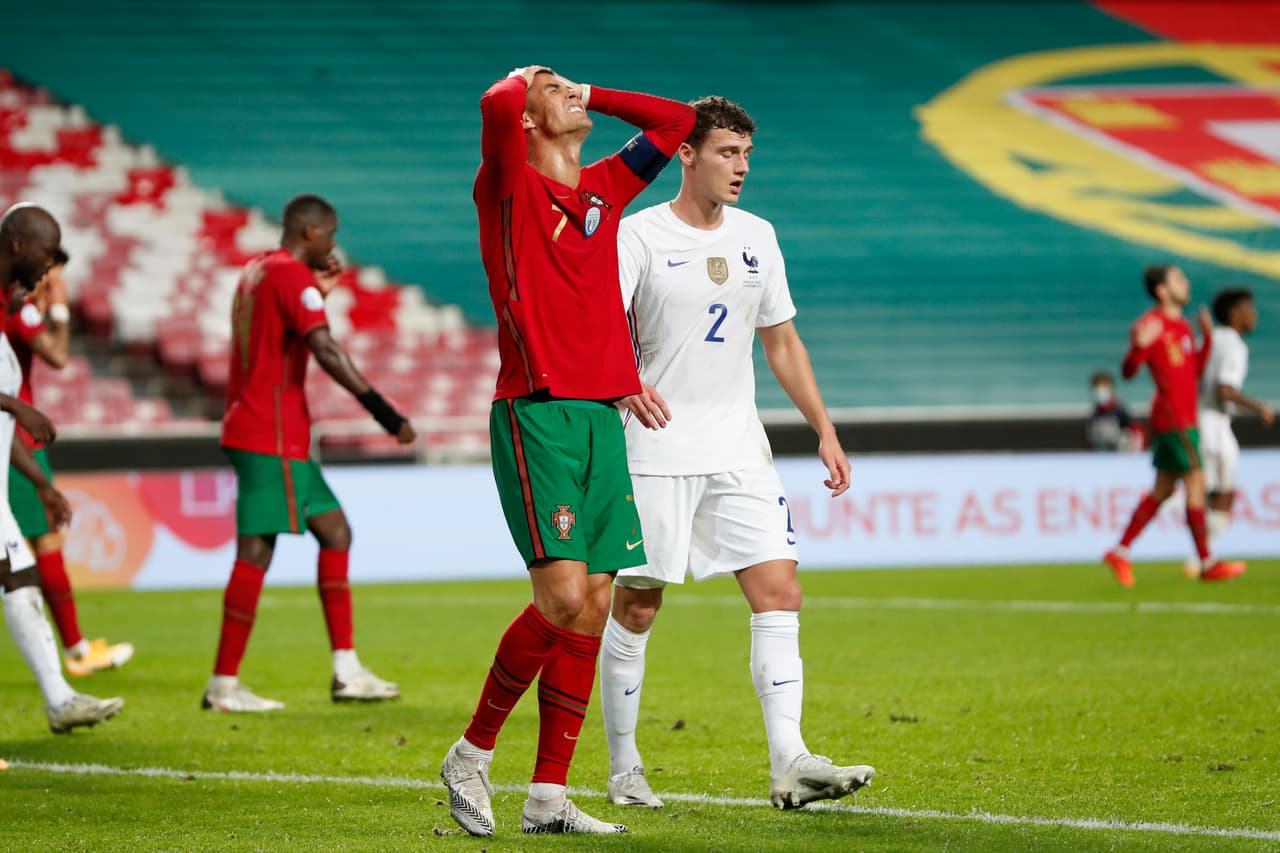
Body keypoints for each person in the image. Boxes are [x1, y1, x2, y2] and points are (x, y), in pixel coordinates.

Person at [598, 96, 875, 812]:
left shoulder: (758, 236)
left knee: (780, 591)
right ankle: (624, 767)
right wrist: (624, 380)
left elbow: (780, 339)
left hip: (739, 446)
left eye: (747, 154)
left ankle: (791, 760)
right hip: (655, 445)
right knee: (637, 605)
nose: (741, 166)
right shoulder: (639, 235)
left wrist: (823, 427)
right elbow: (601, 324)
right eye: (727, 152)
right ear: (686, 154)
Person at [440, 66, 694, 837]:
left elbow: (677, 120)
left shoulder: (604, 189)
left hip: (602, 418)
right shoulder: (507, 185)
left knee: (591, 606)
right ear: (527, 119)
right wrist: (526, 78)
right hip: (538, 411)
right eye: (552, 92)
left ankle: (548, 795)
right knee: (559, 596)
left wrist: (593, 92)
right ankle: (471, 753)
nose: (569, 95)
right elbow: (493, 101)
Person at [204, 194, 415, 712]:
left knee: (335, 531)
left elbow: (276, 326)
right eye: (331, 234)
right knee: (256, 552)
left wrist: (316, 291)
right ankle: (223, 685)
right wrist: (386, 414)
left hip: (269, 431)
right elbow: (325, 348)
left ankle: (347, 670)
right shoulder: (292, 278)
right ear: (310, 232)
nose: (334, 243)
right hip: (270, 434)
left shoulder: (258, 270)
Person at [0, 203, 123, 732]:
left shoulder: (9, 307)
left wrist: (41, 485)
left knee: (20, 573)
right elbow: (53, 360)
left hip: (5, 475)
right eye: (47, 254)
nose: (50, 267)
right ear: (18, 246)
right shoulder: (13, 311)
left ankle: (60, 700)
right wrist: (17, 406)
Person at [1103, 265, 1245, 586]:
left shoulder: (1182, 326)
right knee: (1196, 481)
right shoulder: (1150, 325)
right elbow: (1127, 372)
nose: (1186, 283)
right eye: (1179, 280)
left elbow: (1192, 372)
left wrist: (1207, 340)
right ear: (1162, 291)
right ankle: (1207, 562)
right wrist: (1138, 347)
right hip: (1173, 418)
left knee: (1164, 489)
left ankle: (1120, 551)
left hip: (1184, 416)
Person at [1187, 287, 1273, 570]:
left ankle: (1202, 557)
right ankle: (1202, 558)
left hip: (1198, 417)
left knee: (1210, 488)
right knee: (1218, 490)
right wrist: (1259, 407)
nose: (1254, 314)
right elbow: (1225, 389)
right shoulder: (1235, 346)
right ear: (1235, 314)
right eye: (1250, 309)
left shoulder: (1206, 339)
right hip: (1213, 422)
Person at [1085, 371, 1143, 452]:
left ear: (1111, 388)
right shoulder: (1094, 414)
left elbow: (1137, 434)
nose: (1099, 391)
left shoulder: (1121, 412)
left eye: (1103, 387)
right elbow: (1090, 443)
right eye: (1096, 388)